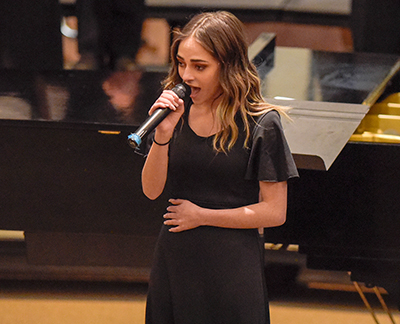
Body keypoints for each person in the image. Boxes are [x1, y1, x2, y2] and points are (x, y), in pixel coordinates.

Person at [140, 11, 299, 324]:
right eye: (182, 63)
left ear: (228, 67)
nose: (186, 75)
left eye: (200, 67)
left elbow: (274, 211)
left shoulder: (262, 123)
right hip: (177, 257)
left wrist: (202, 216)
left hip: (232, 262)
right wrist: (162, 137)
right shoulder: (174, 116)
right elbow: (151, 190)